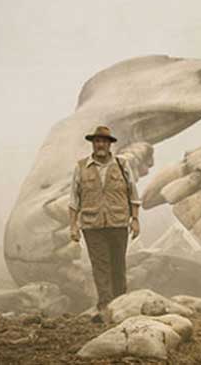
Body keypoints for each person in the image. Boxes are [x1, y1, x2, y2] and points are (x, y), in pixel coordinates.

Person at [69, 125, 141, 322]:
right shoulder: (81, 167)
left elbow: (133, 194)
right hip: (92, 225)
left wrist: (135, 220)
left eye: (104, 141)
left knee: (118, 265)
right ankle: (105, 308)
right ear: (93, 144)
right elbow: (74, 199)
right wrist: (73, 225)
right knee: (100, 266)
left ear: (110, 144)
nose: (100, 144)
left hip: (118, 222)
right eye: (97, 141)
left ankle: (121, 305)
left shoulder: (122, 165)